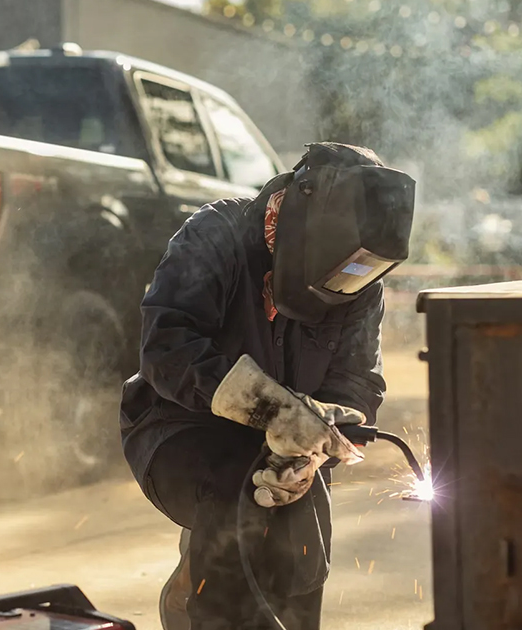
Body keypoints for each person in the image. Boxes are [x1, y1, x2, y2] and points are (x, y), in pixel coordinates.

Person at [119, 142, 416, 630]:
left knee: (303, 527)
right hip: (176, 428)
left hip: (286, 441)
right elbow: (166, 350)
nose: (346, 286)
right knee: (236, 491)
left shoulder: (359, 281)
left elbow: (358, 381)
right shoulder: (215, 236)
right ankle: (204, 610)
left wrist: (315, 442)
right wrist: (275, 412)